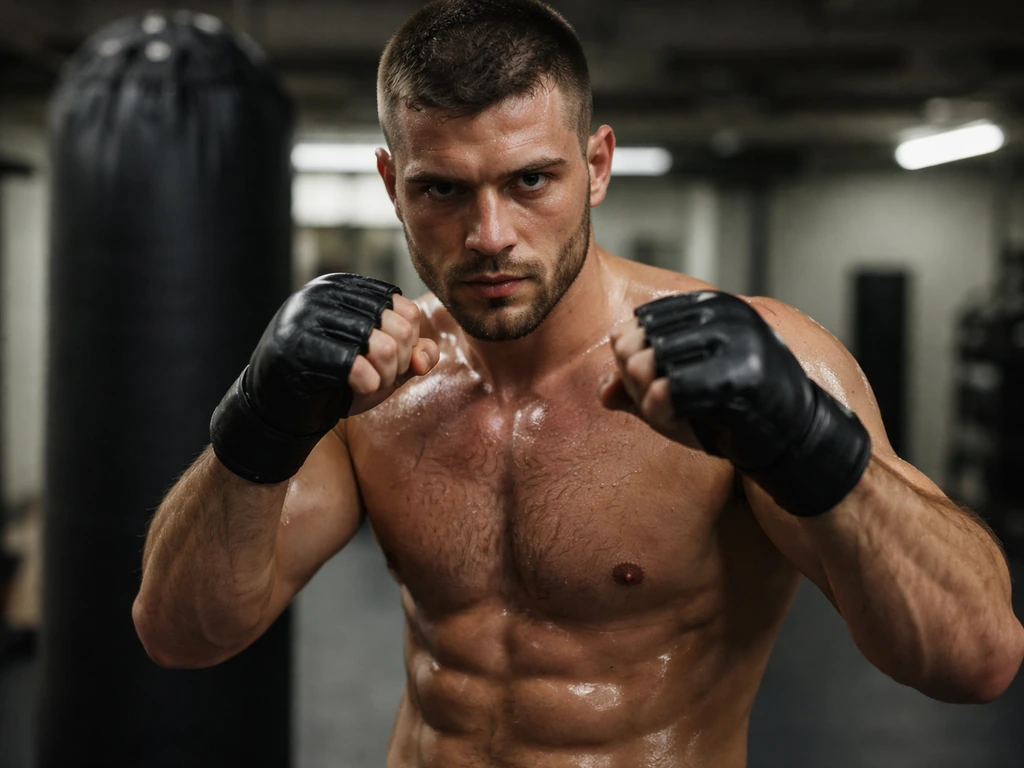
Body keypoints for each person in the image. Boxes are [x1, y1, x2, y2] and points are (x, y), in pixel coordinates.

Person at [133, 0, 1024, 764]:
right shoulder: (375, 382)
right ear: (390, 184)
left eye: (530, 181)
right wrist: (255, 418)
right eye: (441, 190)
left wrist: (809, 440)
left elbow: (973, 659)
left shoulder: (765, 357)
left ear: (596, 165)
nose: (488, 234)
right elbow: (181, 632)